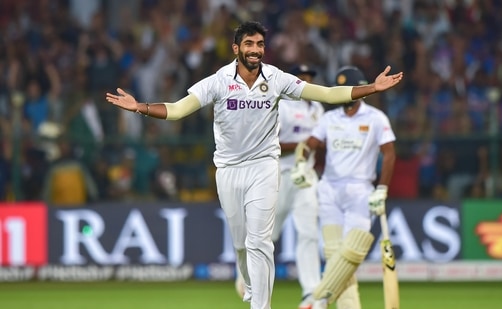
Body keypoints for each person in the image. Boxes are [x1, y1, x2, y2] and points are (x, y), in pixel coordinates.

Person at [106, 21, 403, 309]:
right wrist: (140, 107)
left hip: (264, 166)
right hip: (229, 171)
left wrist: (372, 89)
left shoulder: (276, 79)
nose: (255, 49)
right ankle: (247, 280)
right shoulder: (219, 81)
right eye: (249, 43)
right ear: (236, 48)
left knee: (260, 242)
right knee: (241, 243)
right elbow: (178, 109)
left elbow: (325, 93)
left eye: (260, 44)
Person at [292, 66, 396, 309]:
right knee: (333, 253)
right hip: (329, 189)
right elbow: (309, 144)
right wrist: (300, 164)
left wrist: (382, 189)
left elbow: (389, 154)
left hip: (361, 190)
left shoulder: (376, 118)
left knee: (352, 252)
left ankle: (317, 298)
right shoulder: (329, 118)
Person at [235, 64, 325, 309]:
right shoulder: (280, 105)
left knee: (308, 234)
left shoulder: (317, 107)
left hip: (304, 178)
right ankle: (247, 276)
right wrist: (300, 145)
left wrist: (309, 151)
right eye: (302, 78)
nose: (306, 82)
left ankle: (311, 294)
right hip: (277, 175)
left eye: (309, 78)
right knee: (266, 235)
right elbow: (268, 140)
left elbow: (319, 142)